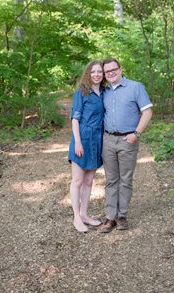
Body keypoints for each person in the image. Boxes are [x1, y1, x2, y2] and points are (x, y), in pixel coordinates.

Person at [97, 58, 153, 233]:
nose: (111, 73)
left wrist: (136, 133)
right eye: (107, 72)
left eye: (114, 69)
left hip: (127, 140)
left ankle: (122, 216)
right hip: (108, 140)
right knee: (111, 179)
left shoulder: (136, 87)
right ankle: (110, 217)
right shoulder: (103, 91)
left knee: (125, 179)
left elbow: (147, 111)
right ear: (105, 75)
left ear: (121, 69)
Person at [67, 60, 106, 233]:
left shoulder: (105, 92)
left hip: (97, 139)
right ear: (88, 74)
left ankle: (84, 214)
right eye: (93, 71)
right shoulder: (81, 92)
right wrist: (78, 142)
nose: (97, 74)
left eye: (100, 72)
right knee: (77, 180)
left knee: (89, 181)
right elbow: (75, 118)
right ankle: (76, 217)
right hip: (82, 137)